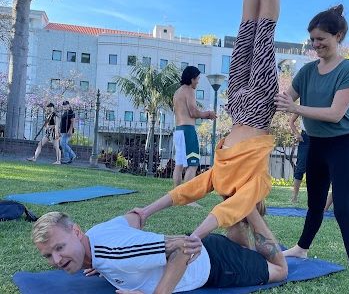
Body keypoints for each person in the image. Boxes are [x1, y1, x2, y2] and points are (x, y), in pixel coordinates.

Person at [131, 0, 280, 240]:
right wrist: (194, 236)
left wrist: (144, 211)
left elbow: (185, 192)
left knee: (248, 27)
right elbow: (222, 214)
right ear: (251, 210)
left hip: (240, 109)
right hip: (255, 110)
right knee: (262, 30)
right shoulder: (256, 188)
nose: (232, 219)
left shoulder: (222, 182)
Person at [274, 5, 349, 294]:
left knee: (343, 210)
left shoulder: (347, 68)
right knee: (314, 205)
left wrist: (296, 109)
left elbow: (335, 113)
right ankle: (302, 248)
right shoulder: (306, 71)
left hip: (342, 145)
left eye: (321, 39)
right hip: (314, 143)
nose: (316, 45)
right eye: (312, 40)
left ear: (338, 35)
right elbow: (286, 99)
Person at [32, 207, 287, 294]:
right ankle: (239, 214)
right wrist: (92, 261)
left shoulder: (117, 252)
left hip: (217, 265)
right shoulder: (95, 234)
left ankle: (249, 208)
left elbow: (184, 249)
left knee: (280, 271)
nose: (56, 259)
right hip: (209, 247)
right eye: (48, 255)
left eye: (60, 248)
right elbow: (133, 218)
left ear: (76, 232)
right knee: (242, 247)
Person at [172, 66, 217, 187]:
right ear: (192, 79)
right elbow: (193, 112)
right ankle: (188, 198)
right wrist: (208, 114)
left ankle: (177, 196)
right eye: (197, 79)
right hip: (187, 130)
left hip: (179, 130)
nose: (198, 82)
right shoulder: (189, 90)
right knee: (193, 164)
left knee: (179, 164)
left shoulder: (177, 92)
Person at [289, 114, 310, 203]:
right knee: (300, 167)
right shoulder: (303, 103)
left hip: (320, 137)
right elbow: (291, 122)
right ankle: (294, 197)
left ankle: (314, 198)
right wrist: (297, 134)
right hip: (305, 137)